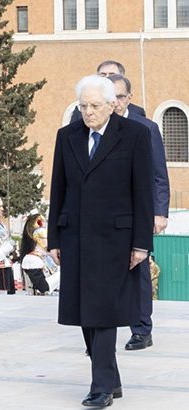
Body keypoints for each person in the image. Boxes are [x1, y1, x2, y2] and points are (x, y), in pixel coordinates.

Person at [48, 74, 154, 407]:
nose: (88, 112)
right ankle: (113, 379)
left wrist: (141, 242)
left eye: (95, 106)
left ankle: (102, 387)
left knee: (104, 312)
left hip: (116, 239)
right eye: (83, 106)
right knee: (84, 312)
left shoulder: (136, 134)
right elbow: (58, 189)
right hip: (76, 235)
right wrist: (54, 238)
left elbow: (143, 193)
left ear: (112, 105)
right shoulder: (67, 136)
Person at [107, 74, 170, 351]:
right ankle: (101, 332)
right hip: (106, 213)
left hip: (138, 211)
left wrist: (159, 213)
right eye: (113, 98)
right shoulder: (95, 127)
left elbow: (159, 175)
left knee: (139, 269)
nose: (117, 103)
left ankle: (142, 329)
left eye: (121, 97)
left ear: (129, 98)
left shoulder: (146, 127)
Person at [69, 60, 145, 123]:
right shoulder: (81, 112)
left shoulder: (136, 112)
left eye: (112, 75)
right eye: (103, 75)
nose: (107, 78)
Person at [20, 213, 60, 295]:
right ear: (38, 239)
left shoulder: (48, 257)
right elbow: (43, 287)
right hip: (38, 300)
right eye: (47, 238)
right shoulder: (31, 259)